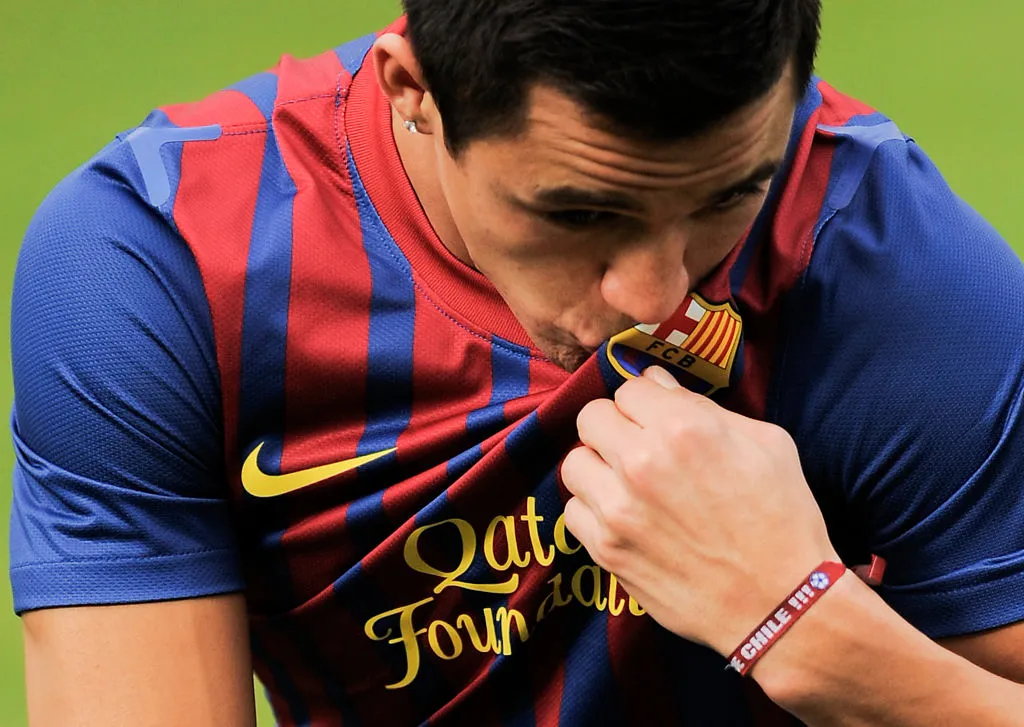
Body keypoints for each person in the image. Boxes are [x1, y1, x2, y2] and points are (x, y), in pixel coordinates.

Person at [9, 0, 1024, 724]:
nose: (659, 296)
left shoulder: (883, 258)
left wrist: (797, 625)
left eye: (726, 196)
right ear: (415, 90)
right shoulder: (166, 260)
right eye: (579, 213)